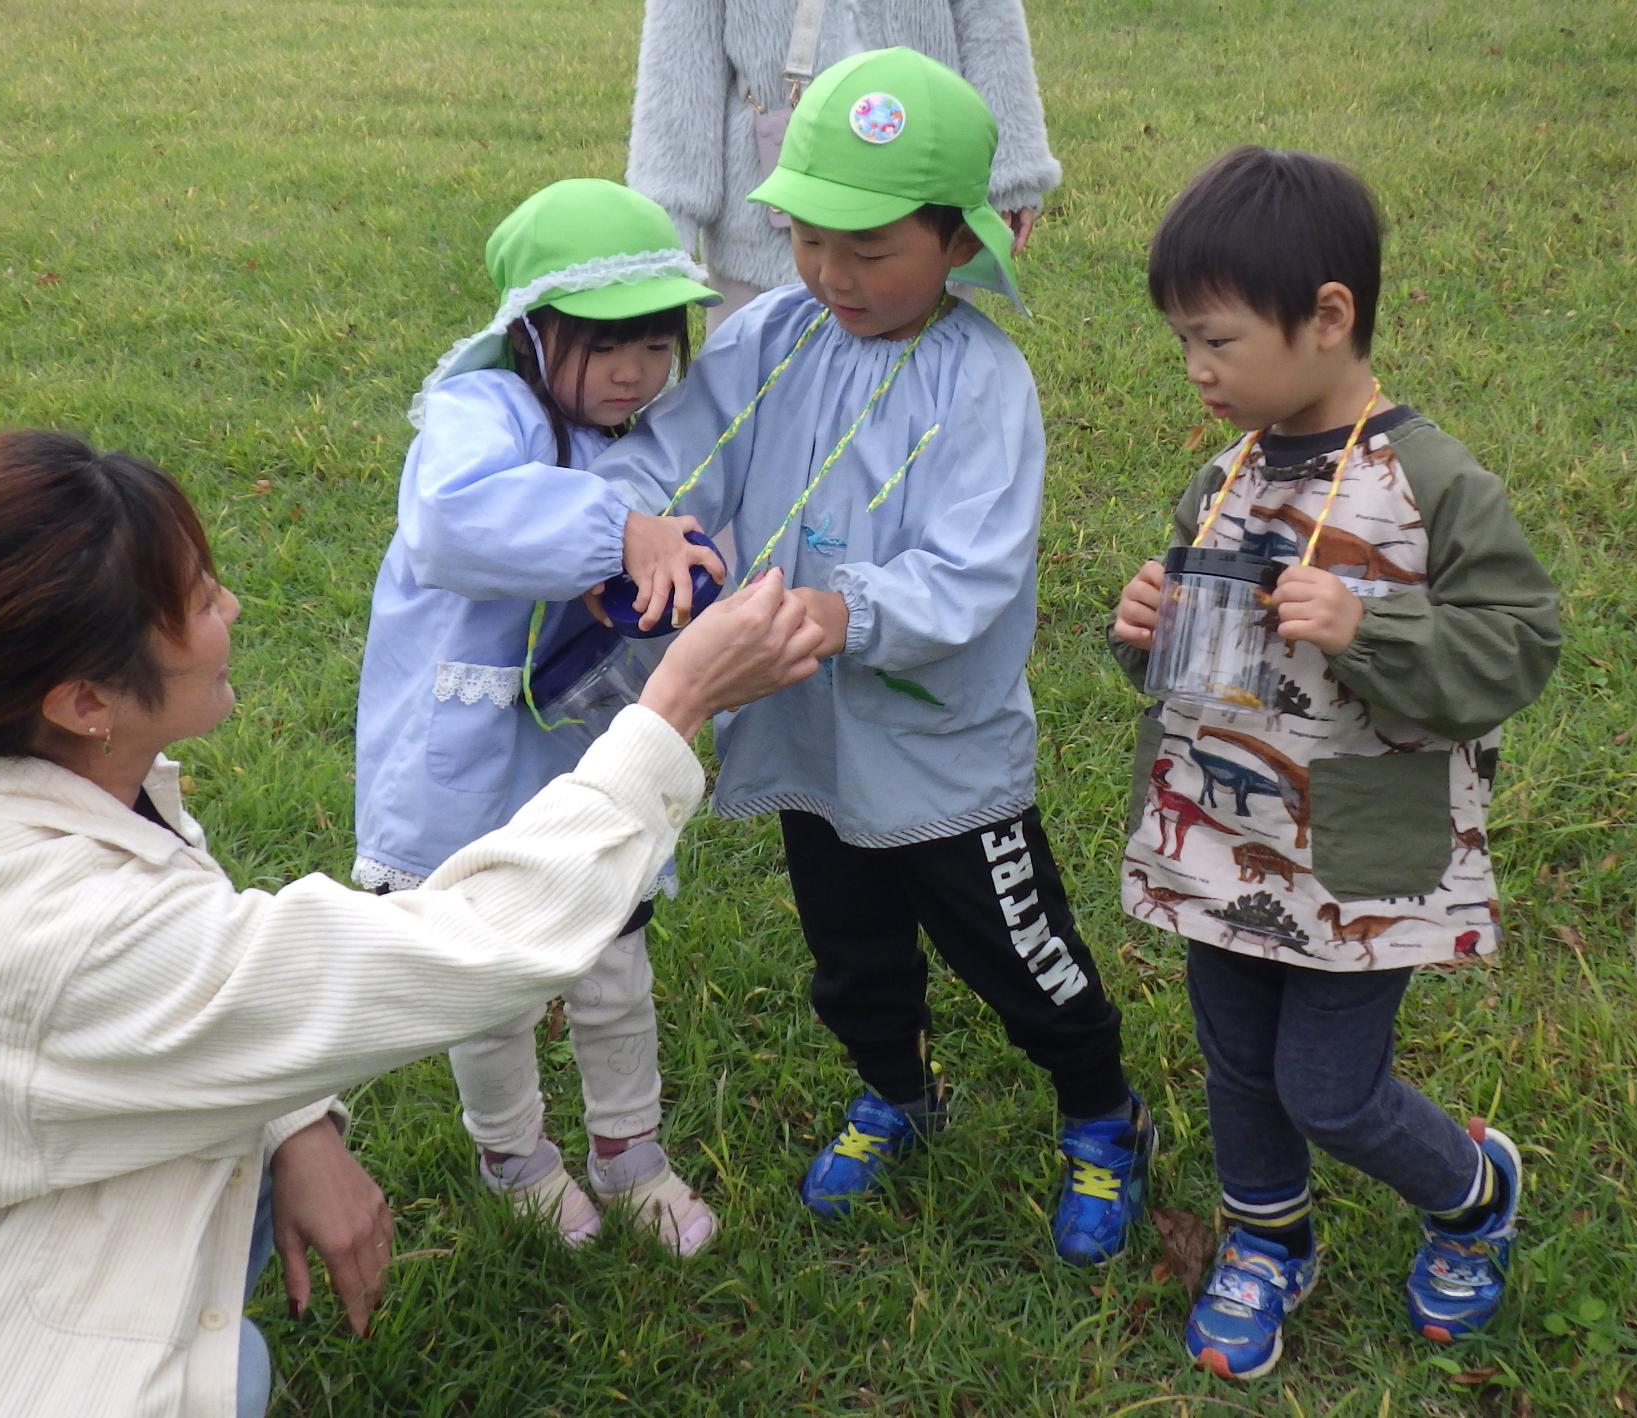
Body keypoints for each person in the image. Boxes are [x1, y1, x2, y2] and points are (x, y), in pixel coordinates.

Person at [0, 430, 819, 1418]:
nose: (230, 603)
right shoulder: (50, 932)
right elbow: (464, 946)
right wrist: (673, 703)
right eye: (195, 598)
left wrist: (296, 1123)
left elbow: (215, 991)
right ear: (85, 699)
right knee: (218, 1376)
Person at [596, 49, 1153, 1266]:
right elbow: (682, 441)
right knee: (848, 953)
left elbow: (972, 572)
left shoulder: (982, 381)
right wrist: (642, 524)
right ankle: (895, 1090)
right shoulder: (772, 336)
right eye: (806, 239)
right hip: (807, 733)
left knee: (1018, 950)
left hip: (939, 749)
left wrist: (845, 612)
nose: (830, 275)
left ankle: (1102, 1111)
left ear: (958, 242)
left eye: (869, 251)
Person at [1107, 147, 1562, 1378]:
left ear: (1326, 317)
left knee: (1326, 1083)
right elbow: (1193, 661)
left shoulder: (1428, 481)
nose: (1194, 370)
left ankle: (1471, 1191)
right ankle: (1268, 1238)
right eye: (1181, 344)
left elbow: (1521, 641)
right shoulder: (1226, 472)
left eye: (1213, 341)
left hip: (1360, 845)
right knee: (1235, 1061)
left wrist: (1369, 624)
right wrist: (1139, 626)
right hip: (1218, 831)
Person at [356, 178, 729, 1255]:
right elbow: (451, 519)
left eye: (658, 342)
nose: (634, 370)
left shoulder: (631, 429)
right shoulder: (478, 417)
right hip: (467, 759)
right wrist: (621, 531)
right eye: (604, 343)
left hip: (579, 751)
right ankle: (511, 1152)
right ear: (527, 330)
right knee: (491, 978)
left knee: (612, 957)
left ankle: (630, 1150)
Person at [627, 0, 1059, 331]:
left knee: (919, 374)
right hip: (763, 218)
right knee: (760, 390)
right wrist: (664, 222)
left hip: (923, 177)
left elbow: (990, 23)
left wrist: (1011, 167)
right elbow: (679, 60)